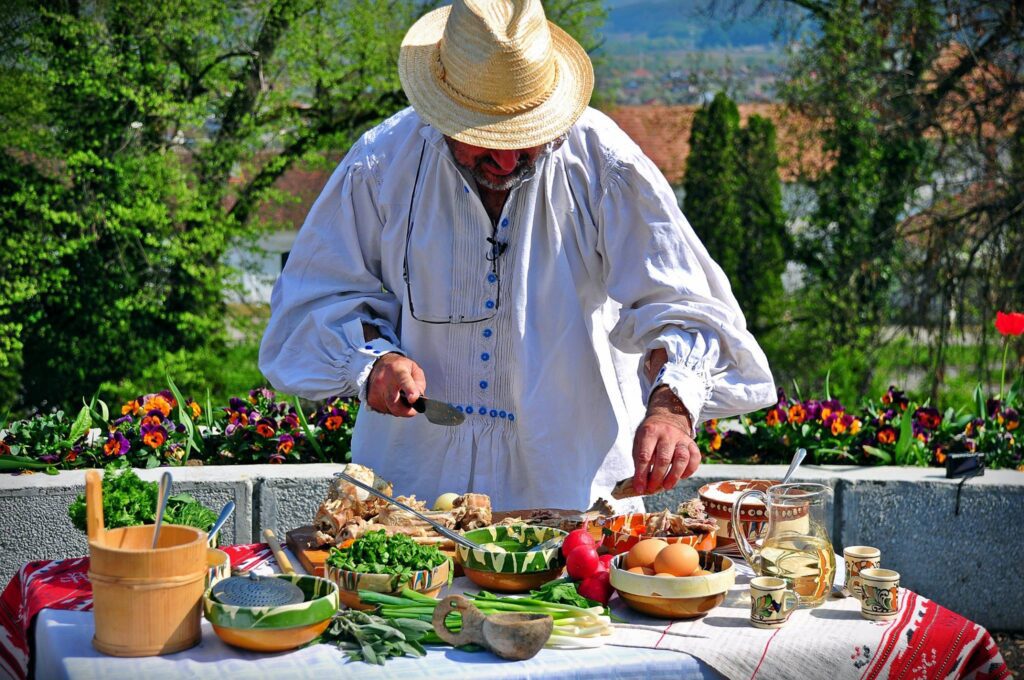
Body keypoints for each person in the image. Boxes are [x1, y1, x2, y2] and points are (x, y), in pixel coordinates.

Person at [259, 0, 776, 512]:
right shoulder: (380, 165)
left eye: (524, 137)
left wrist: (670, 408)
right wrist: (374, 363)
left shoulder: (604, 164)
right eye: (482, 138)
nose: (505, 160)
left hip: (570, 485)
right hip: (414, 487)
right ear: (441, 111)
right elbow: (315, 302)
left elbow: (684, 305)